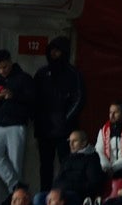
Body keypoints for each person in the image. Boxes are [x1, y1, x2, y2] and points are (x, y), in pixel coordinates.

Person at [34, 37, 85, 190]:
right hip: (44, 130)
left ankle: (65, 194)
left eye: (57, 51)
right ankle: (45, 196)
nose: (54, 54)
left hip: (65, 130)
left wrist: (66, 119)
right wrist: (38, 119)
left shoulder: (73, 73)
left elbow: (80, 98)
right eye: (52, 51)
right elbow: (34, 98)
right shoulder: (42, 73)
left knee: (67, 164)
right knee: (45, 166)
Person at [0, 50, 34, 195]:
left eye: (5, 67)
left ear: (11, 62)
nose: (2, 71)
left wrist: (13, 96)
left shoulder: (23, 78)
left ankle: (15, 197)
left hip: (16, 124)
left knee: (15, 163)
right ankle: (16, 187)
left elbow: (32, 99)